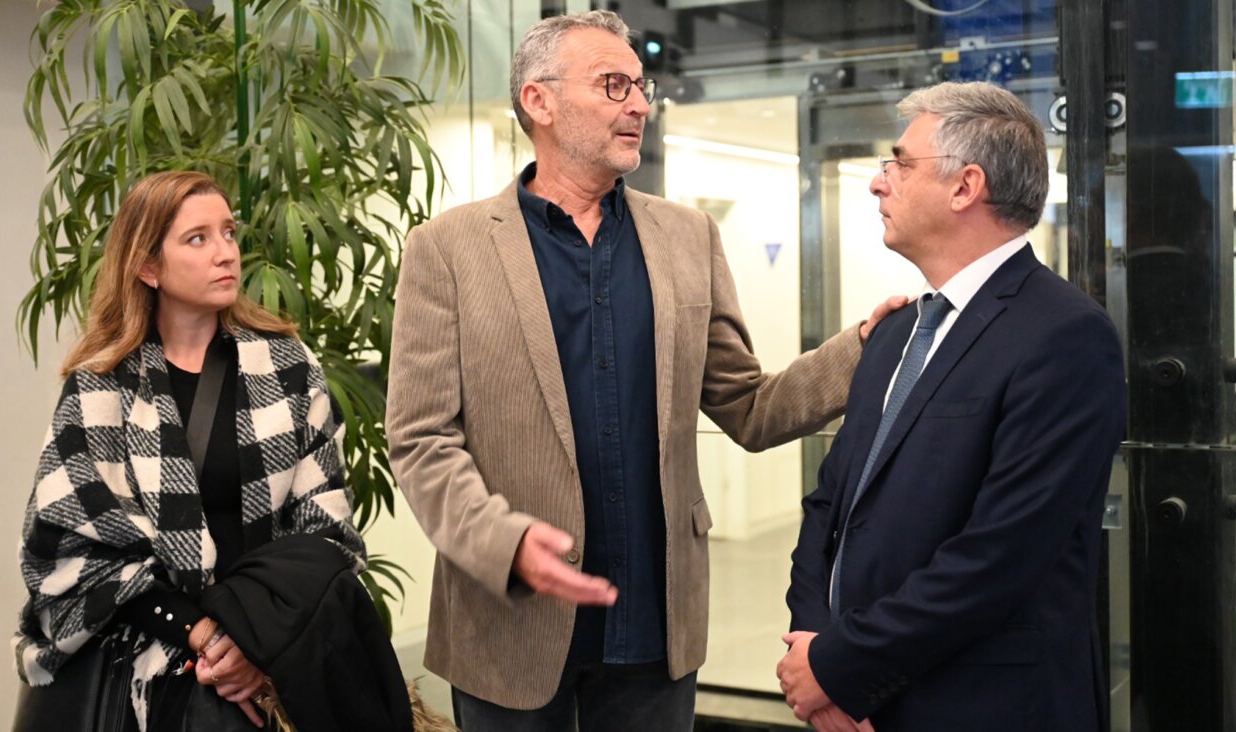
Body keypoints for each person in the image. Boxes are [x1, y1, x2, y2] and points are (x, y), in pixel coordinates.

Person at [385, 10, 903, 731]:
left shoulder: (688, 236)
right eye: (613, 85)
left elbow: (747, 407)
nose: (639, 104)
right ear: (539, 101)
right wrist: (504, 544)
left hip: (656, 621)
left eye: (640, 84)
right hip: (509, 622)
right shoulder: (447, 249)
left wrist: (860, 349)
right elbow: (420, 439)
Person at [777, 81, 1126, 732]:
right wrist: (811, 644)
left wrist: (840, 667)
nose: (879, 184)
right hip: (864, 698)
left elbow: (998, 559)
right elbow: (830, 507)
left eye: (899, 164)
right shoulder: (891, 336)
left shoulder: (1066, 337)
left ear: (966, 187)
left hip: (983, 707)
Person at [12, 171, 410, 731]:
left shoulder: (289, 368)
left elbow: (325, 531)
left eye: (228, 232)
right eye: (197, 239)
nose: (225, 252)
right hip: (139, 670)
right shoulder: (102, 385)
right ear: (148, 267)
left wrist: (252, 644)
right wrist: (205, 635)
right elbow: (70, 549)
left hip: (270, 656)